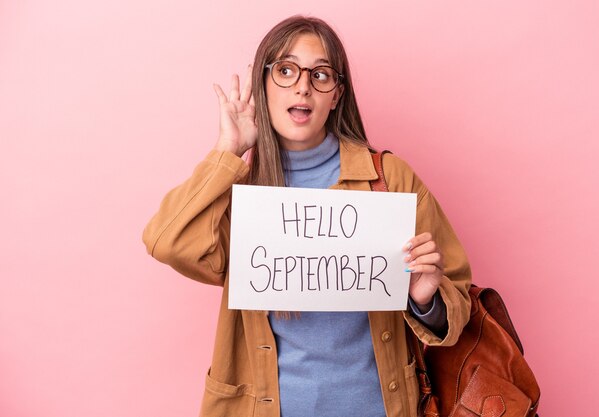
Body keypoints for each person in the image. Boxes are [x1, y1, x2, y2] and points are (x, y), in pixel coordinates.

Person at [143, 15, 471, 417]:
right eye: (285, 70)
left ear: (336, 94)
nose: (303, 85)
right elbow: (166, 242)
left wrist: (425, 300)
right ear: (263, 86)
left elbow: (457, 303)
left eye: (320, 74)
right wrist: (228, 151)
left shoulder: (390, 178)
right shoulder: (236, 191)